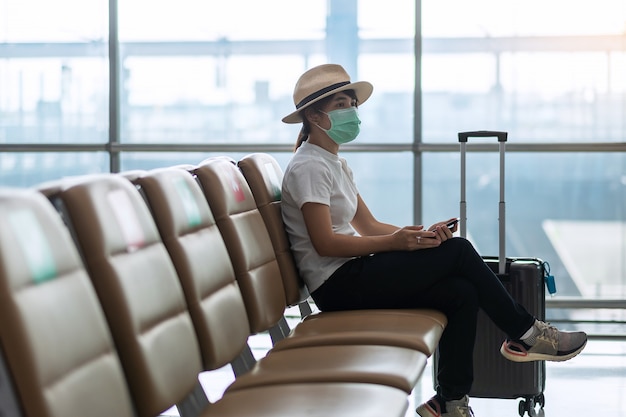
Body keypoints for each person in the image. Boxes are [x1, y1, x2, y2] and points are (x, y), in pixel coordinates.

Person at [280, 63, 587, 417]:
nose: (351, 111)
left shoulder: (333, 163)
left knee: (461, 292)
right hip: (338, 285)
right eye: (340, 105)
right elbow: (325, 244)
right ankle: (528, 333)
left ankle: (450, 402)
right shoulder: (309, 167)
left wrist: (418, 236)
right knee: (458, 250)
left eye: (352, 103)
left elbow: (367, 225)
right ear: (314, 115)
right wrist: (396, 243)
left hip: (354, 273)